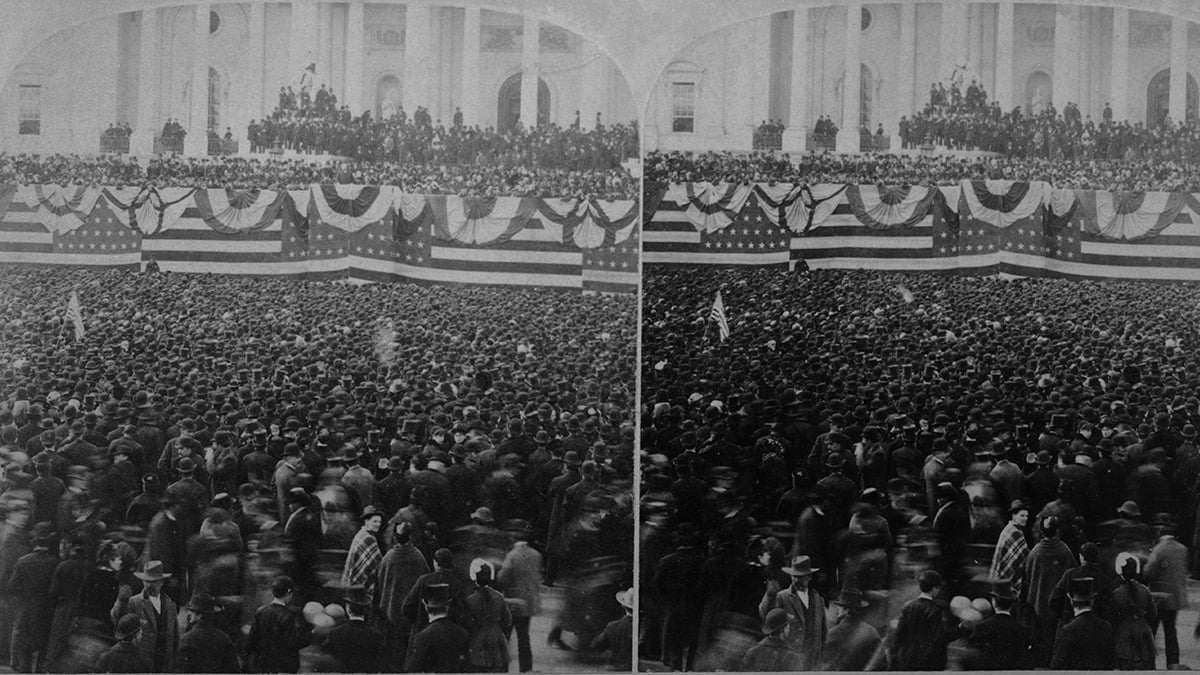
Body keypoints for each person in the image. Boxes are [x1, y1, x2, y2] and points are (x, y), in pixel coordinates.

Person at [758, 554, 826, 670]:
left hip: (812, 662)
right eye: (793, 576)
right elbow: (766, 616)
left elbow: (823, 633)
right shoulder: (782, 597)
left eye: (800, 577)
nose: (795, 580)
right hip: (788, 661)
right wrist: (769, 595)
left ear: (809, 577)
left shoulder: (819, 600)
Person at [8, 521, 58, 673]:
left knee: (25, 651)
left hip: (25, 610)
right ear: (50, 540)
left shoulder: (23, 561)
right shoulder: (55, 563)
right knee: (42, 647)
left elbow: (11, 587)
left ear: (34, 540)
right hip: (46, 612)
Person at [376, 520, 428, 665]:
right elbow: (426, 582)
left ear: (394, 536)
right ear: (410, 536)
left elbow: (380, 582)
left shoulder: (389, 558)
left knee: (393, 652)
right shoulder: (418, 557)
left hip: (391, 613)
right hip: (412, 615)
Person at [497, 526, 542, 673]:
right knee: (524, 637)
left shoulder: (512, 555)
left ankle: (503, 667)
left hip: (512, 602)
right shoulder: (537, 555)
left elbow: (502, 578)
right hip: (528, 602)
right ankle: (526, 668)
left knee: (506, 637)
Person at [120, 560, 179, 673]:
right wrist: (121, 602)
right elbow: (121, 625)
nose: (148, 585)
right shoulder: (134, 602)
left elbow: (175, 638)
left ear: (161, 582)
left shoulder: (170, 605)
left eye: (153, 582)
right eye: (146, 581)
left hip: (164, 665)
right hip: (141, 664)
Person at [1146, 516, 1188, 669]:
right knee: (1171, 632)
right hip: (1174, 597)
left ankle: (1149, 663)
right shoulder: (1183, 549)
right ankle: (1173, 663)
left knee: (1152, 631)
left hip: (1158, 596)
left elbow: (1149, 571)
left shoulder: (1159, 549)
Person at [964, 580, 1034, 670]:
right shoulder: (1023, 630)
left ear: (994, 602)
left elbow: (971, 658)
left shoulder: (981, 627)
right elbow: (1028, 662)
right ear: (1012, 604)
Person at [244, 576, 308, 674]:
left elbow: (251, 641)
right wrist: (311, 636)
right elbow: (291, 644)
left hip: (261, 666)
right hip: (281, 668)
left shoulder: (260, 611)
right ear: (288, 592)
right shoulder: (287, 615)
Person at [1052, 576, 1117, 669]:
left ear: (1071, 599)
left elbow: (1057, 665)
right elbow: (1111, 662)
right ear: (1093, 599)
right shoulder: (1106, 627)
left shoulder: (1068, 630)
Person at [890, 569, 949, 671]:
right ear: (934, 588)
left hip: (908, 659)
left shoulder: (908, 606)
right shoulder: (934, 610)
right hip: (928, 662)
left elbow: (899, 633)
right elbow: (938, 639)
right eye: (938, 588)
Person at [404, 583, 468, 673]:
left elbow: (411, 669)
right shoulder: (463, 633)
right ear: (447, 606)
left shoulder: (422, 637)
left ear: (426, 607)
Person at [462, 558, 512, 673]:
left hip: (476, 645)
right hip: (497, 643)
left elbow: (466, 624)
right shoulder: (499, 597)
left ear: (474, 577)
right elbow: (507, 621)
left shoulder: (470, 600)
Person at [1110, 552, 1157, 670]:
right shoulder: (1145, 591)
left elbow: (1112, 618)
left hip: (1123, 638)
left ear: (1119, 571)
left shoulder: (1116, 594)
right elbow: (1153, 614)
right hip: (1144, 636)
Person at [322, 586, 383, 673]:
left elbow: (326, 662)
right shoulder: (377, 635)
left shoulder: (334, 633)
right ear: (365, 610)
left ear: (348, 609)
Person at [819, 588, 881, 671]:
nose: (837, 611)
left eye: (839, 607)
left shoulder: (832, 633)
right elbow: (881, 664)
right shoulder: (873, 633)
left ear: (846, 610)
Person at [177, 592, 240, 673]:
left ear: (199, 615)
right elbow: (234, 670)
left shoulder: (186, 640)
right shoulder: (225, 638)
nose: (189, 615)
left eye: (192, 611)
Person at [341, 505, 384, 607]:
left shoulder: (361, 534)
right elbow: (378, 564)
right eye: (375, 521)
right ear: (366, 521)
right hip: (359, 586)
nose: (378, 524)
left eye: (379, 522)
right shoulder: (368, 538)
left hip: (351, 584)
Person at [591, 588, 633, 671]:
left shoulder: (613, 626)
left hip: (616, 668)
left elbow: (596, 645)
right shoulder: (644, 627)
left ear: (623, 605)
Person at [990, 500, 1030, 582]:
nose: (1025, 518)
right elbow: (1025, 556)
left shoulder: (1011, 528)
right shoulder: (1014, 532)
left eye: (1027, 516)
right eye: (1022, 515)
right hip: (1005, 578)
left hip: (1000, 576)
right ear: (1014, 515)